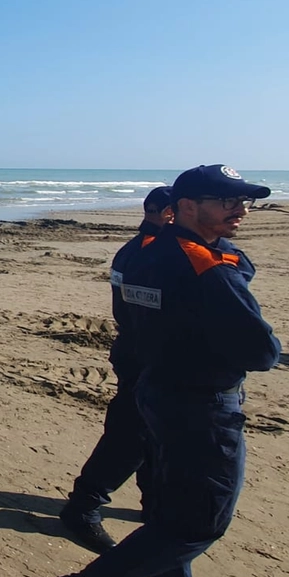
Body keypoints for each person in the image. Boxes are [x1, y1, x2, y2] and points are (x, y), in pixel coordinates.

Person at [47, 165, 281, 577]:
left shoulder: (145, 254)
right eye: (227, 201)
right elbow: (262, 352)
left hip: (155, 390)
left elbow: (134, 312)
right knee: (199, 523)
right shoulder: (207, 269)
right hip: (200, 405)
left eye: (244, 201)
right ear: (188, 207)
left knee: (166, 508)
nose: (241, 209)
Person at [58, 186, 173, 553]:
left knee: (153, 437)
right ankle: (84, 508)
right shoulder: (147, 252)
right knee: (131, 435)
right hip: (144, 357)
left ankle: (154, 503)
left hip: (145, 354)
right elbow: (137, 310)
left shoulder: (149, 250)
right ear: (161, 212)